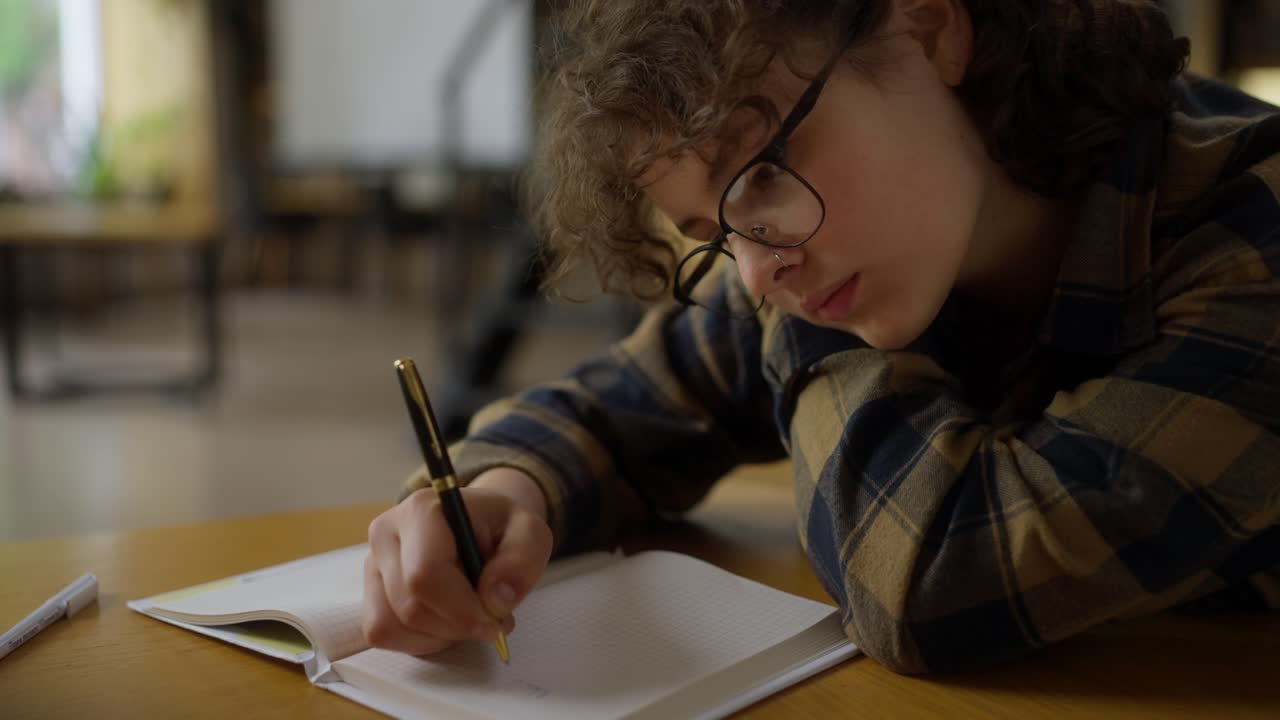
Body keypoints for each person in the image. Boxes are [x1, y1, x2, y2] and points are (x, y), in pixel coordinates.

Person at [361, 0, 1280, 674]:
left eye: (763, 168)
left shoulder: (1251, 232)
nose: (755, 274)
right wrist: (506, 489)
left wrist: (800, 309)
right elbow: (620, 405)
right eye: (713, 235)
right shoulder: (885, 238)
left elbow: (930, 579)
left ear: (930, 29)